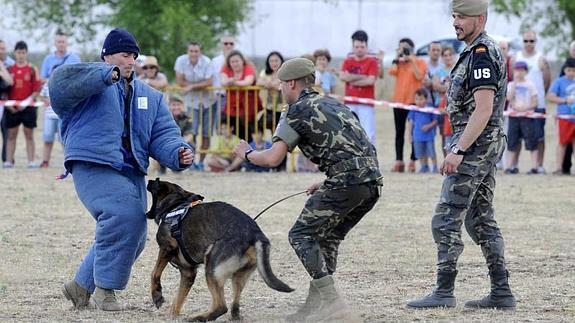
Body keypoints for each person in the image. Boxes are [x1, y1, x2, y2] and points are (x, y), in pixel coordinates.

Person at [49, 28, 194, 311]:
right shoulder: (88, 83)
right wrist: (104, 76)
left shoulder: (150, 96)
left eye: (134, 56)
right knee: (125, 217)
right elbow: (59, 84)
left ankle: (80, 287)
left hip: (132, 171)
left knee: (136, 235)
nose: (131, 61)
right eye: (125, 55)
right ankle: (106, 292)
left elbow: (163, 134)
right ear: (107, 55)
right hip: (94, 163)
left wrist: (178, 152)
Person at [233, 58, 382, 322]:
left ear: (291, 83)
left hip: (346, 181)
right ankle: (316, 307)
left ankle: (334, 304)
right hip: (370, 183)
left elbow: (272, 159)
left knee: (301, 235)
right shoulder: (335, 104)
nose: (280, 90)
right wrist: (328, 181)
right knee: (327, 238)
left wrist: (247, 154)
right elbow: (358, 150)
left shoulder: (295, 110)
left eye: (281, 84)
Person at [407, 0, 516, 310]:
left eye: (462, 17)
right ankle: (501, 291)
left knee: (445, 219)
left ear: (479, 19)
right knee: (480, 218)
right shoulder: (472, 52)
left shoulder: (482, 53)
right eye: (454, 16)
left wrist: (458, 150)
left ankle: (444, 291)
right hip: (482, 145)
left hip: (475, 147)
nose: (455, 22)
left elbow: (483, 110)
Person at [39, 31, 82, 168]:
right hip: (51, 110)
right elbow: (42, 79)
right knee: (47, 136)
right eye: (59, 41)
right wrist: (56, 80)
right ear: (55, 43)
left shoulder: (75, 58)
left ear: (67, 43)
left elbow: (79, 78)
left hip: (68, 107)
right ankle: (45, 161)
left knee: (66, 138)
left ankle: (69, 163)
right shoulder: (48, 60)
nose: (61, 44)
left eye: (63, 41)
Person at [512, 31, 551, 174]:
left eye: (532, 41)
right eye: (526, 41)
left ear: (536, 41)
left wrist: (538, 97)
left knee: (539, 136)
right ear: (522, 42)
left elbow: (547, 81)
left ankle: (538, 165)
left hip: (537, 106)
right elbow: (512, 79)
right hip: (517, 106)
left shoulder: (541, 59)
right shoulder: (516, 57)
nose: (529, 44)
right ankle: (513, 164)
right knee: (516, 136)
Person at [388, 37, 428, 172]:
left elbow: (419, 77)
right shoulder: (398, 63)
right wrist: (397, 56)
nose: (403, 50)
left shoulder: (420, 62)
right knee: (399, 132)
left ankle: (413, 160)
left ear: (412, 49)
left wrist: (411, 60)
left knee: (414, 133)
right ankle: (399, 161)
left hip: (413, 102)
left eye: (405, 48)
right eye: (401, 47)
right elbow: (392, 72)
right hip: (399, 101)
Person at [175, 42, 215, 171]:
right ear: (188, 51)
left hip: (209, 101)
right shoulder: (181, 61)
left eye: (196, 51)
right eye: (191, 51)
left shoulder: (207, 62)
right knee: (192, 133)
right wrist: (199, 85)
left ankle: (202, 162)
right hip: (191, 102)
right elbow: (179, 80)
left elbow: (209, 82)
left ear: (200, 52)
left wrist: (191, 86)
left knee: (206, 134)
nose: (193, 53)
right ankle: (191, 163)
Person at [4, 41, 42, 168]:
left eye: (23, 53)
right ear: (15, 53)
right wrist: (8, 105)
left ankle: (31, 161)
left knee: (29, 133)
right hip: (12, 107)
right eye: (18, 52)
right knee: (11, 134)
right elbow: (4, 89)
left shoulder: (32, 69)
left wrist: (25, 103)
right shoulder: (9, 69)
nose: (21, 55)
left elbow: (37, 89)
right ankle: (8, 161)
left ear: (26, 53)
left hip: (28, 107)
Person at [339, 30, 378, 144]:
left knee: (368, 133)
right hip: (350, 102)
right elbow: (342, 77)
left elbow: (370, 80)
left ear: (366, 46)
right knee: (349, 132)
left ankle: (371, 159)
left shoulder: (372, 62)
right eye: (356, 47)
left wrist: (351, 78)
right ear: (353, 46)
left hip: (366, 103)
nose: (359, 49)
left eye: (362, 46)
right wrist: (363, 77)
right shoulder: (348, 61)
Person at [504, 61, 539, 174]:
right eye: (517, 69)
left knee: (531, 141)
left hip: (527, 117)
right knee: (512, 141)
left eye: (522, 70)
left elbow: (535, 102)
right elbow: (508, 97)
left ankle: (534, 167)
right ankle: (509, 166)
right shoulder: (510, 84)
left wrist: (525, 108)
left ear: (526, 71)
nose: (519, 72)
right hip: (514, 117)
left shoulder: (530, 85)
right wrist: (514, 83)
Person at [220, 49, 262, 142]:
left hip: (247, 105)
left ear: (242, 61)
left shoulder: (248, 67)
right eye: (232, 61)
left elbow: (248, 82)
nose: (235, 63)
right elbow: (223, 82)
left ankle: (250, 152)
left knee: (248, 131)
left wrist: (232, 82)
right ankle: (237, 153)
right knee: (232, 129)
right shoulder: (225, 68)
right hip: (232, 105)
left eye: (237, 61)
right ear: (229, 62)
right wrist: (231, 82)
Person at [546, 57, 575, 175]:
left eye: (573, 70)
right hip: (564, 117)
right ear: (565, 70)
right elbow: (551, 97)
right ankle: (558, 168)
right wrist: (564, 100)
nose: (571, 73)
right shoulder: (559, 81)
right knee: (562, 143)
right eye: (569, 70)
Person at [154, 94, 194, 175]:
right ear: (169, 106)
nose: (176, 107)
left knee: (191, 145)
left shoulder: (187, 118)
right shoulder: (163, 117)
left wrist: (181, 143)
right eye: (173, 105)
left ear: (182, 106)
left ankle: (182, 166)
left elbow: (190, 134)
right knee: (160, 145)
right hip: (166, 142)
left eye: (178, 105)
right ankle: (162, 168)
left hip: (181, 142)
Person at [406, 89, 439, 173]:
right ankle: (424, 166)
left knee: (431, 152)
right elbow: (410, 122)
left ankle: (435, 166)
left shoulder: (430, 109)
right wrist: (409, 135)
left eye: (421, 99)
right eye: (417, 99)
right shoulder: (413, 109)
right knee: (420, 153)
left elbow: (435, 121)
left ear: (426, 99)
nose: (419, 101)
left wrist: (428, 126)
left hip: (428, 136)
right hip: (417, 136)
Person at [433, 46, 457, 155]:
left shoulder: (458, 69)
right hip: (441, 107)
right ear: (442, 58)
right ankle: (445, 160)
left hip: (456, 107)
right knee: (444, 135)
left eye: (450, 55)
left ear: (454, 56)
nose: (448, 58)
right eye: (445, 55)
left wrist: (446, 87)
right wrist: (450, 87)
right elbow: (436, 86)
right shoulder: (439, 72)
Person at [558, 40, 575, 174]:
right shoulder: (562, 77)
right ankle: (562, 167)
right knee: (564, 142)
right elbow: (553, 93)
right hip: (565, 114)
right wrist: (564, 101)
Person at [0, 40, 14, 165]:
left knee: (6, 132)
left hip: (5, 103)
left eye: (4, 48)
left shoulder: (10, 64)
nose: (2, 51)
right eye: (0, 49)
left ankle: (6, 158)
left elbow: (10, 82)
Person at [424, 41, 444, 107]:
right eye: (433, 50)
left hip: (440, 103)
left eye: (438, 50)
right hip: (426, 103)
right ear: (428, 52)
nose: (436, 52)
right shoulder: (423, 66)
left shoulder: (444, 67)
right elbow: (426, 84)